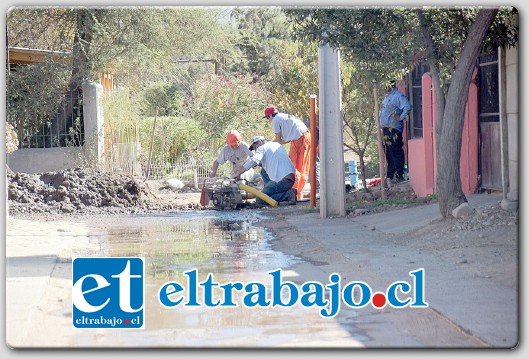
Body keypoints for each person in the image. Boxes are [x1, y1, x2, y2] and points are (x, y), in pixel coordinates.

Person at [232, 135, 297, 206]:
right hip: (290, 179)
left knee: (260, 200)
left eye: (255, 147)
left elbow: (254, 160)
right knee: (263, 171)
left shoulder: (262, 148)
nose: (255, 149)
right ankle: (268, 192)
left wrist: (238, 172)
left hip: (282, 181)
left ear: (260, 142)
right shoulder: (275, 144)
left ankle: (287, 195)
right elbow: (269, 162)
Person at [264, 106, 310, 200]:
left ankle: (294, 193)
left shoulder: (275, 120)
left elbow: (277, 141)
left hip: (299, 140)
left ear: (270, 115)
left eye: (268, 118)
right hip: (306, 137)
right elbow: (283, 140)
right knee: (303, 168)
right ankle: (298, 194)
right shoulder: (284, 117)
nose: (268, 120)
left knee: (292, 168)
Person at [379, 81, 412, 184]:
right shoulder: (388, 97)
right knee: (388, 152)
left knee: (395, 150)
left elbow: (407, 106)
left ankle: (399, 174)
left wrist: (400, 117)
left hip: (393, 128)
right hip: (386, 129)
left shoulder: (397, 96)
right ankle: (390, 175)